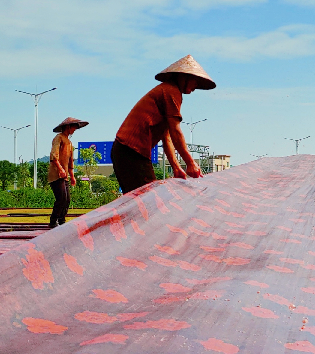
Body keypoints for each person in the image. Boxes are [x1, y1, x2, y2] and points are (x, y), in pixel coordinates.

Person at [113, 54, 215, 194]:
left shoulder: (167, 91)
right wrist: (190, 162)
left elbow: (166, 136)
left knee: (138, 200)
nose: (196, 87)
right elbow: (176, 131)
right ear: (183, 77)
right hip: (131, 150)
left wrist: (176, 166)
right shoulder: (171, 91)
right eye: (195, 81)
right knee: (147, 199)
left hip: (126, 151)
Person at [48, 116, 88, 228]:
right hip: (56, 174)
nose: (74, 130)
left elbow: (71, 162)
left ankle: (62, 220)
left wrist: (72, 176)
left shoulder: (70, 143)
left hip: (65, 175)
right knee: (61, 198)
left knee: (67, 199)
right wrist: (60, 169)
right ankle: (53, 221)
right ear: (68, 127)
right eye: (74, 128)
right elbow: (54, 155)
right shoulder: (58, 138)